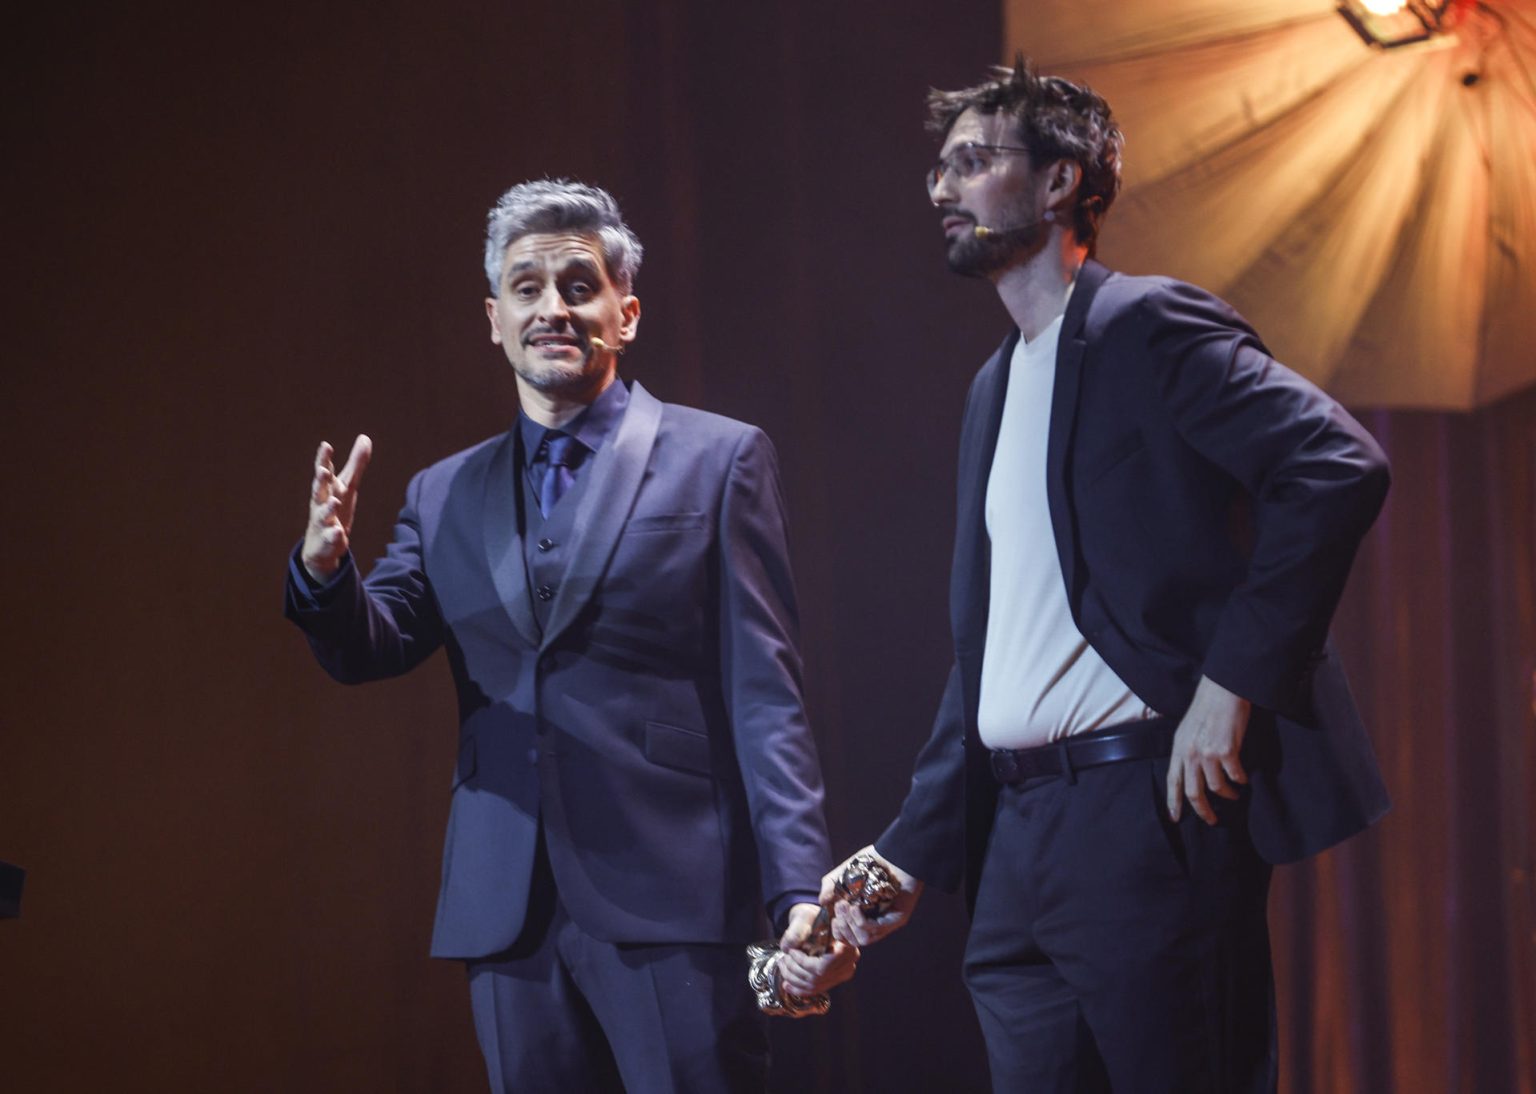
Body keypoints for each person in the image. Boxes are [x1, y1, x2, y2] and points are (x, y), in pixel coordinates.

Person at [825, 59, 1391, 1092]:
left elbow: (1337, 464)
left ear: (1058, 183)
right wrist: (911, 849)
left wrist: (1234, 682)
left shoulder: (1146, 325)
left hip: (1143, 813)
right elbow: (994, 648)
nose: (943, 188)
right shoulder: (992, 386)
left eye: (974, 161)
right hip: (1017, 843)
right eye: (938, 169)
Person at [285, 179, 853, 1093]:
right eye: (526, 287)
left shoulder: (721, 458)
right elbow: (372, 646)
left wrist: (798, 889)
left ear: (625, 313)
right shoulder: (442, 492)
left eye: (579, 285)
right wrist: (323, 571)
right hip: (505, 910)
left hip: (675, 894)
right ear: (494, 320)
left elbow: (766, 694)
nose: (553, 307)